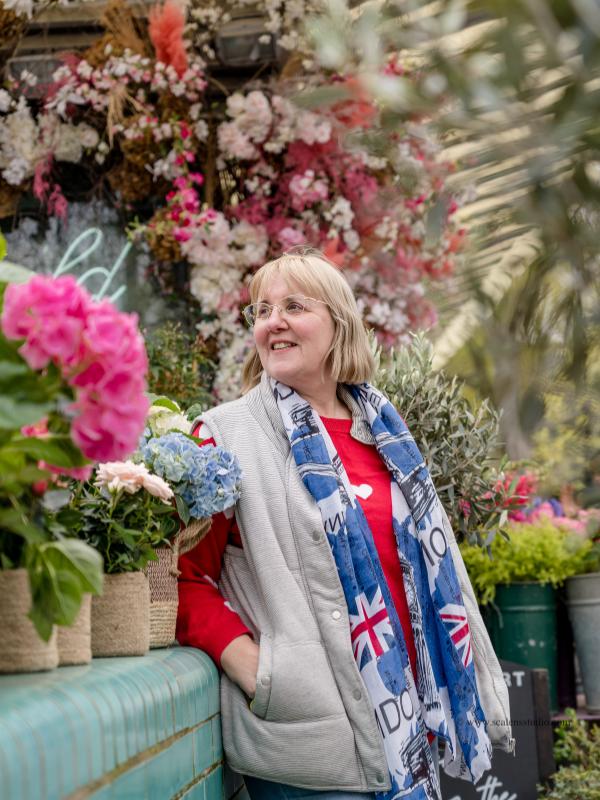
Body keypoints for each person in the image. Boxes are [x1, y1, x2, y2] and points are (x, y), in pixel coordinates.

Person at [176, 249, 512, 800]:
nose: (273, 322)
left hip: (410, 731)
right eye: (262, 310)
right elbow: (184, 578)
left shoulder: (385, 433)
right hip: (312, 743)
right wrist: (263, 675)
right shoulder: (225, 437)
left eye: (294, 306)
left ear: (339, 324)